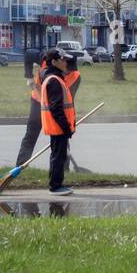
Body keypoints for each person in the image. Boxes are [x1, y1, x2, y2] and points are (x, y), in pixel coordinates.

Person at [38, 49, 78, 196]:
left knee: (57, 155)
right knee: (58, 157)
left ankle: (56, 183)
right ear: (54, 62)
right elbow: (56, 108)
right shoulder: (54, 80)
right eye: (62, 59)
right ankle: (55, 186)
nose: (65, 62)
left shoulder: (54, 77)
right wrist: (66, 127)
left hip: (57, 126)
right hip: (58, 127)